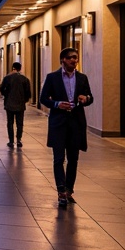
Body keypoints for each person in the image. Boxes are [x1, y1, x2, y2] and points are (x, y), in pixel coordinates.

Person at [39, 47, 94, 208]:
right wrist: (56, 104)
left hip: (76, 123)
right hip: (58, 123)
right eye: (70, 58)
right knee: (58, 159)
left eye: (76, 58)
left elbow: (90, 97)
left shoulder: (82, 78)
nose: (74, 61)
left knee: (73, 159)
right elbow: (43, 98)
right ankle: (61, 190)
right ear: (63, 59)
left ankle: (69, 189)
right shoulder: (52, 78)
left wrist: (86, 98)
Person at [0, 62, 31, 148]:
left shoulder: (7, 78)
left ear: (12, 68)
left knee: (10, 123)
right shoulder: (24, 79)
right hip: (20, 104)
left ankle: (11, 141)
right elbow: (28, 93)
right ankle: (19, 140)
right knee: (19, 123)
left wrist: (6, 96)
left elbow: (1, 89)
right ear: (20, 69)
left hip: (9, 104)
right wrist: (24, 100)